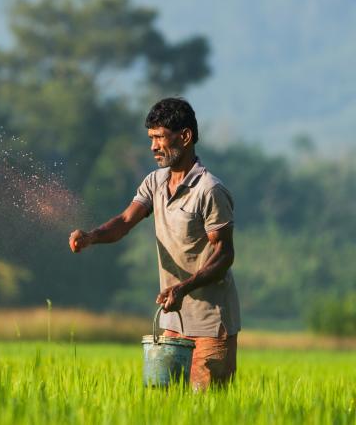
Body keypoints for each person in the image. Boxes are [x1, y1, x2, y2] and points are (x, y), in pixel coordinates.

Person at [68, 97, 240, 390]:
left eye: (160, 137)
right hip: (172, 322)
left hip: (211, 325)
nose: (153, 146)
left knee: (208, 410)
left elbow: (224, 255)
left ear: (184, 137)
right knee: (168, 406)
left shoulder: (209, 191)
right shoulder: (155, 182)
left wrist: (183, 288)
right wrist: (91, 237)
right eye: (151, 138)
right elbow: (124, 221)